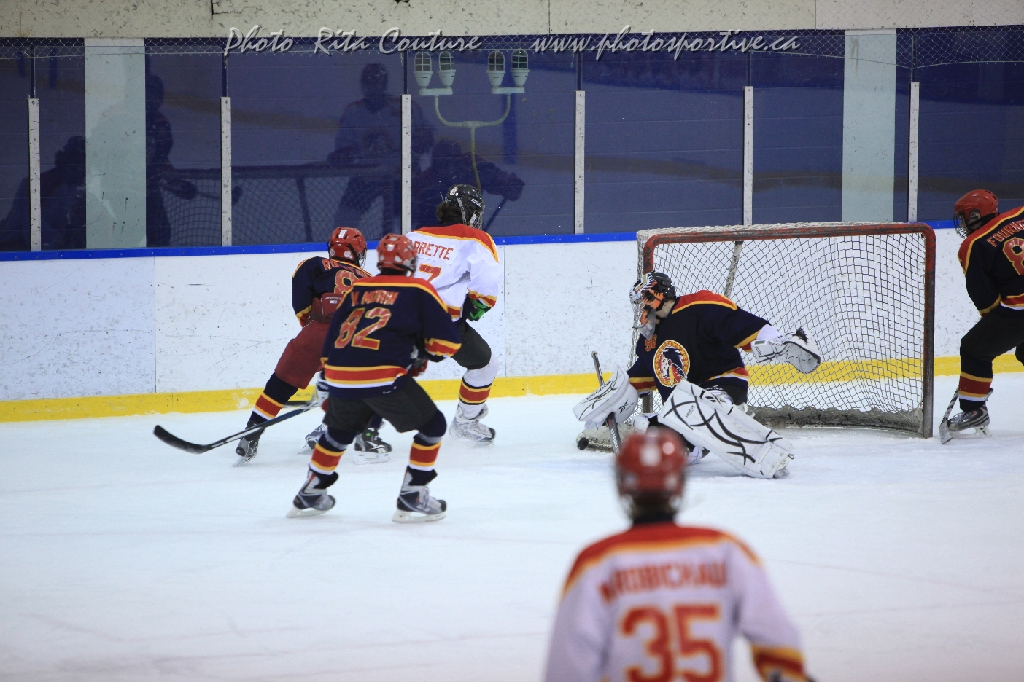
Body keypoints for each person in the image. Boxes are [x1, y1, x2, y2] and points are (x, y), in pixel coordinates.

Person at [544, 429, 812, 682]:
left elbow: (568, 668)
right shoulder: (725, 552)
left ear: (622, 485)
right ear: (680, 483)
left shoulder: (597, 563)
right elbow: (778, 642)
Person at [574, 272, 821, 479]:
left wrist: (774, 341)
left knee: (696, 408)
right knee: (647, 428)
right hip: (682, 407)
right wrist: (611, 403)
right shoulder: (649, 341)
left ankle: (750, 441)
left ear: (658, 295)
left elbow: (737, 323)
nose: (640, 308)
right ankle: (692, 445)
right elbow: (642, 376)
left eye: (643, 300)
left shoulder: (698, 307)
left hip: (722, 383)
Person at [288, 233, 462, 521]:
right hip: (382, 375)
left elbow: (332, 336)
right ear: (410, 261)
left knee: (338, 433)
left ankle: (311, 490)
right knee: (433, 426)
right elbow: (447, 343)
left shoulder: (358, 287)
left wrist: (329, 377)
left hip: (340, 374)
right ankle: (414, 493)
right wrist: (421, 352)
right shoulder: (418, 288)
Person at [235, 226, 392, 465]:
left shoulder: (313, 264)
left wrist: (312, 330)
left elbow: (301, 304)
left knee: (281, 384)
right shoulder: (370, 279)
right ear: (358, 252)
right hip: (355, 341)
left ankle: (252, 431)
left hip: (318, 332)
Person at [407, 184, 502, 443]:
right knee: (485, 365)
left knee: (376, 372)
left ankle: (337, 428)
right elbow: (486, 286)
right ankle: (466, 423)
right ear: (470, 212)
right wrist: (475, 306)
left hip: (400, 320)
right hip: (441, 325)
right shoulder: (476, 239)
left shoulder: (414, 235)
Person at [943, 189, 1024, 440]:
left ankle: (973, 410)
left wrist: (991, 317)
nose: (962, 223)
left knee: (974, 348)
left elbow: (984, 297)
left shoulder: (974, 244)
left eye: (964, 217)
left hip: (1019, 311)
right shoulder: (1021, 215)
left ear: (975, 215)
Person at [330, 63, 433, 239]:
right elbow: (344, 145)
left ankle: (404, 247)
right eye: (369, 82)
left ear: (384, 84)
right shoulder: (353, 112)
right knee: (345, 218)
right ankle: (343, 246)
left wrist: (422, 141)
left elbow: (428, 134)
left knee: (403, 223)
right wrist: (343, 154)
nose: (372, 87)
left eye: (376, 82)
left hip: (400, 177)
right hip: (366, 175)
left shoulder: (405, 107)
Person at [411, 138, 524, 231]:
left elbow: (495, 178)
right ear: (434, 162)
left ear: (459, 158)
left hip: (471, 236)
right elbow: (409, 212)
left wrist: (508, 185)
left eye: (452, 160)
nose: (448, 167)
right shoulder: (424, 183)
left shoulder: (472, 166)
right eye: (443, 162)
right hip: (435, 239)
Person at [0, 136, 86, 251]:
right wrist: (65, 240)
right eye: (81, 164)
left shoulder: (72, 188)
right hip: (14, 250)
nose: (85, 172)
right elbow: (33, 231)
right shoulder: (40, 185)